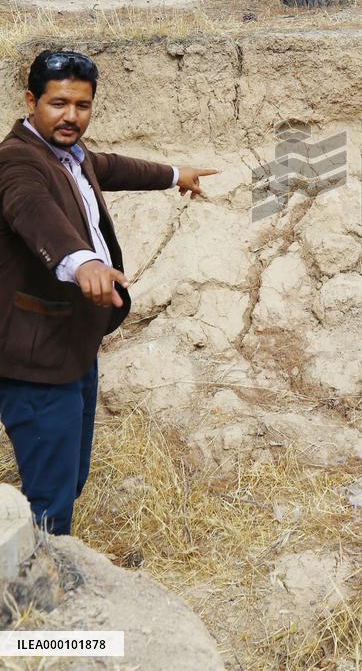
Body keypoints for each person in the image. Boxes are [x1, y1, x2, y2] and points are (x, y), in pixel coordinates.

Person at [0, 50, 217, 534]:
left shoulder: (70, 155)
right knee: (50, 498)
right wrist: (83, 261)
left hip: (73, 345)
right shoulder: (16, 161)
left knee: (70, 477)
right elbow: (33, 211)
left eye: (82, 105)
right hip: (35, 361)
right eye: (59, 103)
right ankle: (36, 574)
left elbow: (112, 167)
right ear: (31, 101)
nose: (71, 116)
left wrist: (174, 175)